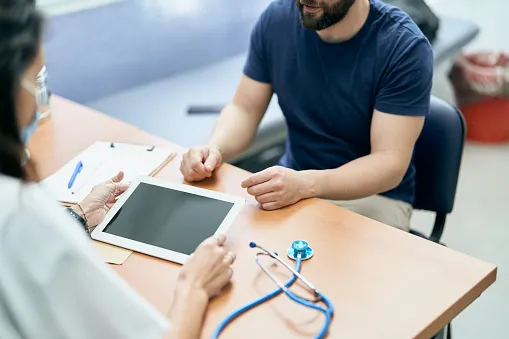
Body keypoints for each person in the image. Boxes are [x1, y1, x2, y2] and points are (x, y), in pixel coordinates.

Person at [0, 1, 235, 338]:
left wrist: (79, 216)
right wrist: (194, 286)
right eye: (35, 80)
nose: (39, 101)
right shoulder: (21, 215)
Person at [180, 0, 433, 231]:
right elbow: (244, 109)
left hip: (374, 197)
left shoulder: (403, 46)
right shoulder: (276, 20)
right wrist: (214, 148)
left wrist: (306, 184)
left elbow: (388, 163)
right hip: (294, 179)